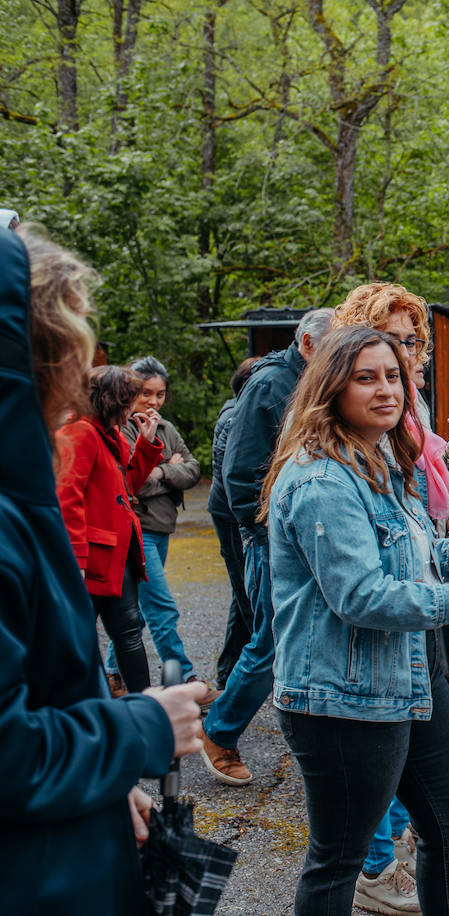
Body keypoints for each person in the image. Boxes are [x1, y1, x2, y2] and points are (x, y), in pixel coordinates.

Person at [263, 325, 449, 916]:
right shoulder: (321, 479)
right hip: (339, 699)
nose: (385, 391)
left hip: (406, 677)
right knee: (338, 859)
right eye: (365, 378)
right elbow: (362, 596)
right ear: (330, 388)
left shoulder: (383, 461)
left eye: (393, 376)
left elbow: (415, 558)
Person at [1, 224, 207, 914]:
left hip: (67, 845)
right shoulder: (71, 442)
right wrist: (140, 729)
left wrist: (108, 773)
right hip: (41, 877)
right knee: (127, 633)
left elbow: (134, 478)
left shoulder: (85, 440)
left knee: (115, 638)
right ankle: (148, 695)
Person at [201, 306, 335, 785]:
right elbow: (238, 472)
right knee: (271, 641)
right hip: (269, 533)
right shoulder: (271, 385)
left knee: (267, 630)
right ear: (307, 344)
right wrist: (262, 532)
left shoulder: (312, 382)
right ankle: (218, 729)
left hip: (297, 531)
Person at [105, 356, 210, 705]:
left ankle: (111, 673)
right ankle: (185, 677)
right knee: (161, 606)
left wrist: (163, 472)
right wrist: (167, 466)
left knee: (135, 610)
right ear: (130, 391)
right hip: (139, 530)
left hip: (162, 528)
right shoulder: (121, 428)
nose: (152, 401)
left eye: (160, 394)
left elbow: (193, 469)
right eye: (146, 393)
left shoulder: (165, 428)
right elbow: (130, 482)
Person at [56, 365, 163, 695]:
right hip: (92, 561)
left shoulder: (109, 432)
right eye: (129, 398)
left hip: (117, 557)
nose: (135, 405)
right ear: (113, 400)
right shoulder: (81, 432)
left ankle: (144, 712)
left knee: (128, 633)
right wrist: (76, 559)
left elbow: (126, 483)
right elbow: (67, 496)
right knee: (81, 640)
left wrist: (145, 445)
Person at [208, 356, 260, 688]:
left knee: (241, 596)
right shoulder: (235, 417)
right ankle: (236, 682)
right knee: (248, 599)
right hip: (232, 516)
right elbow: (234, 477)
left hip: (236, 514)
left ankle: (227, 677)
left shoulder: (240, 412)